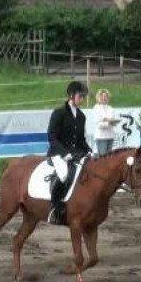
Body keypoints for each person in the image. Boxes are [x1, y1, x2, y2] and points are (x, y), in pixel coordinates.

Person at [46, 80, 93, 225]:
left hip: (75, 154)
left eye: (84, 96)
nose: (83, 99)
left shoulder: (81, 116)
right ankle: (55, 206)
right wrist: (64, 153)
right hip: (57, 153)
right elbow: (51, 136)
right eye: (81, 96)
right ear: (71, 95)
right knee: (64, 173)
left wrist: (90, 151)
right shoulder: (59, 113)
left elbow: (81, 140)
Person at [93, 88, 117, 157]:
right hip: (101, 137)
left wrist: (105, 119)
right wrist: (108, 122)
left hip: (110, 136)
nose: (104, 98)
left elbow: (113, 121)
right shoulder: (96, 108)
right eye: (102, 96)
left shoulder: (111, 108)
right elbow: (99, 124)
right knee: (103, 158)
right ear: (99, 97)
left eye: (106, 96)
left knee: (109, 158)